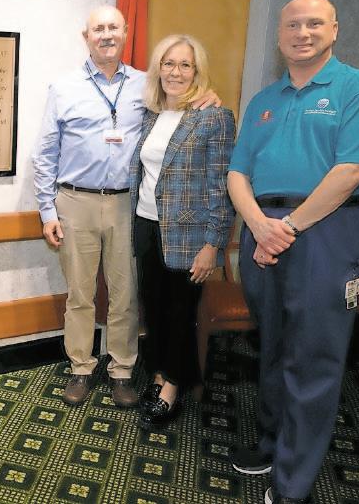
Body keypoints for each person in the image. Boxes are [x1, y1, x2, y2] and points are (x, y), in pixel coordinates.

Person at [227, 0, 359, 504]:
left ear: (334, 30)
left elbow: (352, 172)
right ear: (280, 36)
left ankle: (293, 482)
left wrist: (286, 228)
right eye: (293, 25)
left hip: (325, 231)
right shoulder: (264, 99)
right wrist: (259, 225)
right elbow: (237, 173)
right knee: (274, 345)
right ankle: (271, 443)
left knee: (313, 356)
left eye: (315, 23)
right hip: (263, 230)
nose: (303, 32)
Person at [33, 5, 220, 408]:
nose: (106, 34)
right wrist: (47, 211)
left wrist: (207, 96)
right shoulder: (63, 87)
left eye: (113, 27)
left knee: (126, 295)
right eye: (98, 28)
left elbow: (181, 107)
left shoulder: (146, 85)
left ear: (125, 32)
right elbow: (45, 153)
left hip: (126, 205)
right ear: (86, 36)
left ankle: (121, 371)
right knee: (80, 294)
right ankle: (81, 367)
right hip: (74, 202)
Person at [128, 34, 235, 425]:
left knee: (180, 311)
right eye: (168, 63)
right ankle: (160, 374)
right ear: (158, 69)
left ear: (197, 71)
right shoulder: (151, 114)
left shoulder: (214, 117)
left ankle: (172, 386)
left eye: (185, 65)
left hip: (189, 236)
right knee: (153, 306)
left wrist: (213, 244)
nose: (175, 72)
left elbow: (221, 186)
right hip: (146, 224)